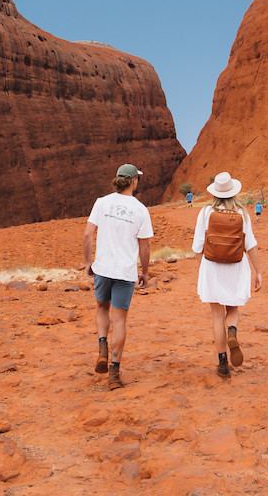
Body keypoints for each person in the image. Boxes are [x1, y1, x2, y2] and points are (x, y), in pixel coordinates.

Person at [83, 163, 153, 390]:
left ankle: (102, 344)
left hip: (102, 269)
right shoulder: (141, 210)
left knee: (102, 308)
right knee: (120, 320)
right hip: (124, 272)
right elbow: (145, 247)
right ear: (133, 181)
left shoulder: (101, 203)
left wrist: (88, 262)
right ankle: (114, 372)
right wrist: (144, 272)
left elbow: (87, 234)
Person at [191, 171, 263, 378]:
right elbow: (251, 245)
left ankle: (222, 363)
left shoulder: (205, 212)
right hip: (235, 266)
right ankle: (232, 330)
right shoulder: (242, 212)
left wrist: (202, 269)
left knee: (216, 315)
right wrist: (258, 271)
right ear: (233, 191)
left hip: (212, 266)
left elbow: (197, 247)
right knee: (232, 308)